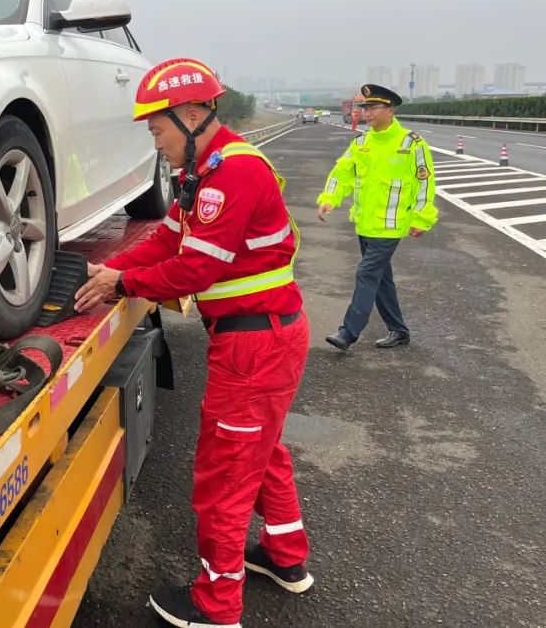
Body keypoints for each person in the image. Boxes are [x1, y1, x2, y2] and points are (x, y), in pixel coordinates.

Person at [76, 58, 313, 628]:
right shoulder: (205, 172)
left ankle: (216, 605)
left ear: (189, 116)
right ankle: (285, 556)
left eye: (157, 130)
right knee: (262, 453)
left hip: (255, 344)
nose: (156, 143)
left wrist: (123, 285)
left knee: (225, 473)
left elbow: (194, 270)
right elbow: (167, 240)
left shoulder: (233, 174)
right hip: (264, 337)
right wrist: (112, 269)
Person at [317, 84, 438, 351]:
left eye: (373, 107)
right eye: (364, 108)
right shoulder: (361, 143)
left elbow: (425, 185)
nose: (366, 113)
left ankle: (348, 332)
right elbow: (342, 174)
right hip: (365, 224)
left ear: (390, 110)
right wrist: (329, 199)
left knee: (367, 273)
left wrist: (422, 218)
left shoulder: (411, 143)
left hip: (391, 226)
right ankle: (399, 331)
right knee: (381, 279)